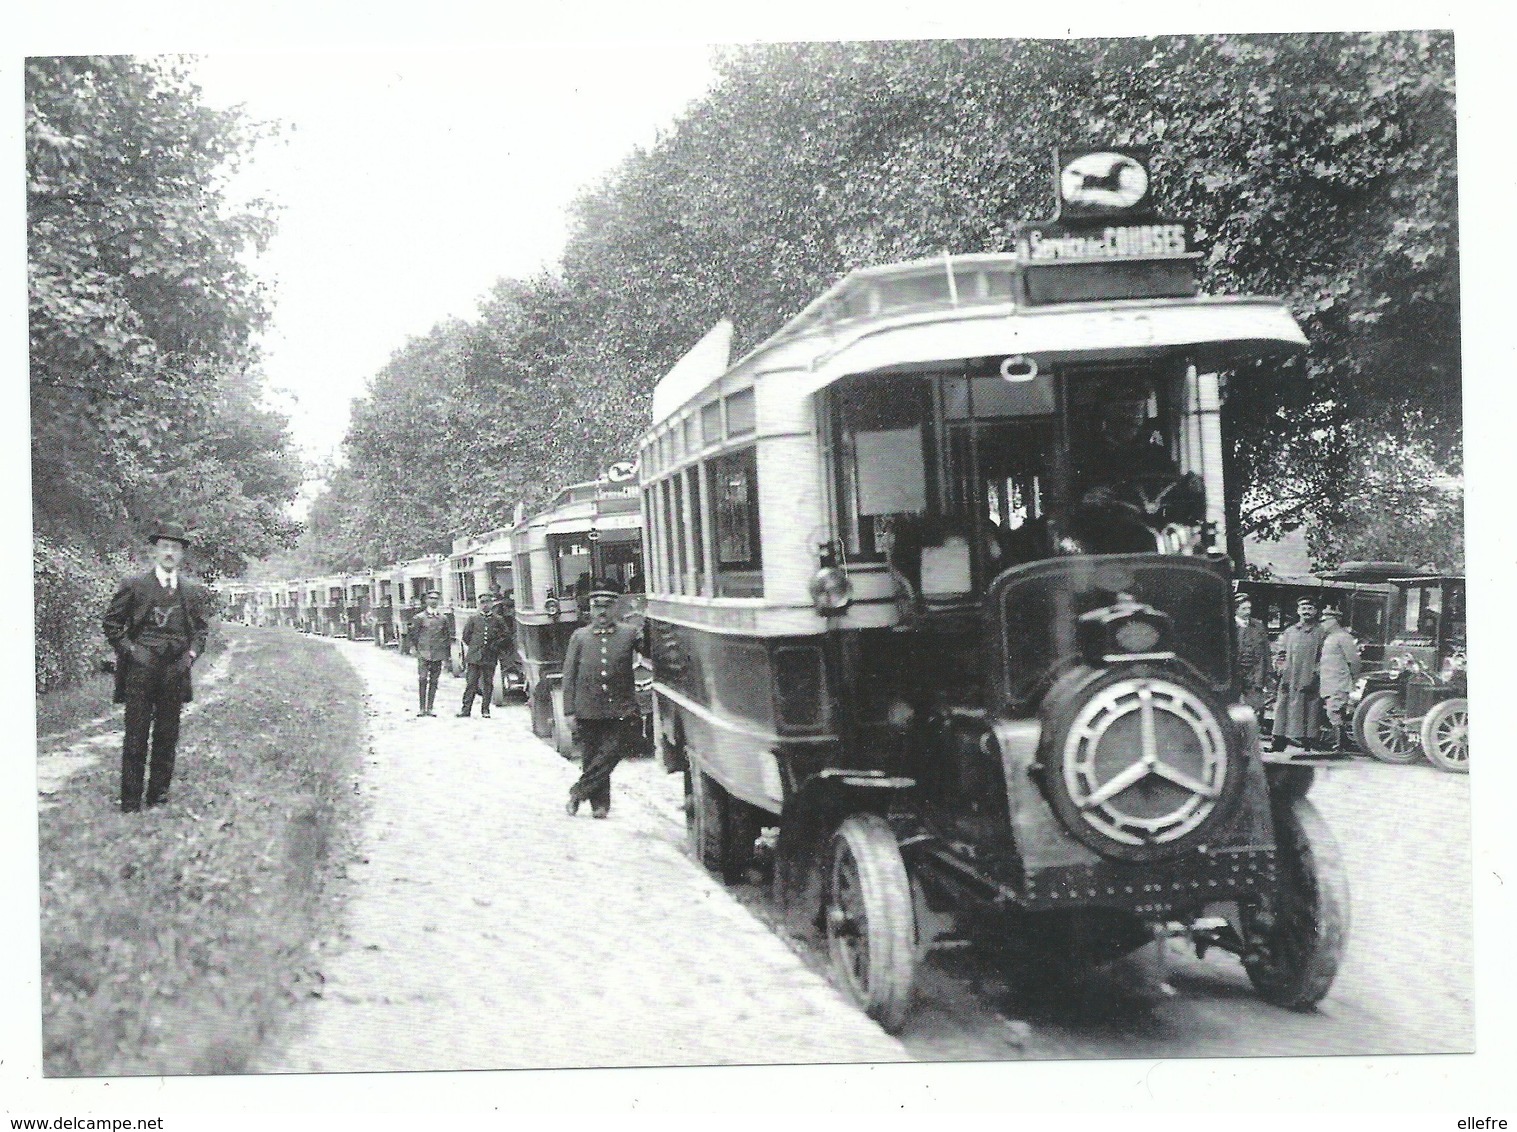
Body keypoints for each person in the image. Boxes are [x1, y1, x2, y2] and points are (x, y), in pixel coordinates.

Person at [101, 520, 211, 813]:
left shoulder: (191, 591)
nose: (169, 553)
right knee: (136, 734)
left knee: (168, 734)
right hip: (140, 669)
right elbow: (111, 625)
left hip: (175, 671)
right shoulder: (134, 585)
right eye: (164, 547)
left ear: (182, 554)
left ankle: (158, 798)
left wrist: (189, 657)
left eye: (175, 548)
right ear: (154, 551)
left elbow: (200, 631)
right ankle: (130, 802)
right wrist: (132, 652)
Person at [563, 578, 642, 819]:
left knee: (610, 754)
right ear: (591, 609)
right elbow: (569, 674)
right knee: (591, 757)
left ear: (616, 608)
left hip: (621, 708)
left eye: (607, 606)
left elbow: (649, 652)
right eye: (597, 607)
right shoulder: (580, 636)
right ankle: (600, 805)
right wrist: (568, 711)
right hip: (588, 708)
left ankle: (578, 792)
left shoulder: (629, 634)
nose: (602, 612)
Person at [1271, 596, 1327, 751]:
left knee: (1310, 709)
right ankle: (1278, 741)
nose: (1306, 612)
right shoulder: (1290, 631)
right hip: (1289, 677)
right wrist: (1280, 667)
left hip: (1310, 677)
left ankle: (1308, 742)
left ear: (1315, 612)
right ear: (1298, 611)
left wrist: (1316, 672)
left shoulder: (1321, 632)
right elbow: (1280, 652)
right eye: (1303, 609)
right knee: (1283, 707)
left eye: (1310, 609)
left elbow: (1325, 655)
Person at [1317, 605, 1362, 755]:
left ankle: (1341, 745)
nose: (1322, 623)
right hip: (1329, 682)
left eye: (1325, 620)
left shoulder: (1343, 637)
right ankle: (1340, 743)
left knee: (1334, 712)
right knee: (1332, 712)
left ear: (1334, 621)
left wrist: (1353, 680)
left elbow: (1354, 661)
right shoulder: (1330, 638)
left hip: (1339, 682)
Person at [456, 592, 506, 718]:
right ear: (479, 604)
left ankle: (485, 710)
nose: (485, 605)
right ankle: (466, 710)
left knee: (488, 683)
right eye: (482, 602)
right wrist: (475, 647)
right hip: (474, 657)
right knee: (471, 683)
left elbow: (506, 636)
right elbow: (466, 637)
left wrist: (496, 646)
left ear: (492, 604)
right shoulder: (473, 619)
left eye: (487, 602)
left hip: (490, 656)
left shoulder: (498, 620)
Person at [408, 590, 451, 717]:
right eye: (431, 598)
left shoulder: (443, 618)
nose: (433, 601)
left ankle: (430, 708)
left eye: (436, 599)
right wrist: (416, 649)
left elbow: (446, 637)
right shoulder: (419, 618)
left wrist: (446, 655)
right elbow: (414, 635)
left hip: (438, 654)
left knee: (434, 680)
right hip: (424, 653)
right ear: (426, 600)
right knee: (422, 679)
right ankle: (422, 708)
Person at [1234, 592, 1270, 716]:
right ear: (1236, 610)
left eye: (1249, 608)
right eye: (1243, 609)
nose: (1247, 612)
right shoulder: (1229, 627)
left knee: (1256, 708)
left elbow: (1266, 653)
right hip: (1234, 675)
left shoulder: (1258, 627)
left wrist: (1266, 676)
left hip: (1254, 675)